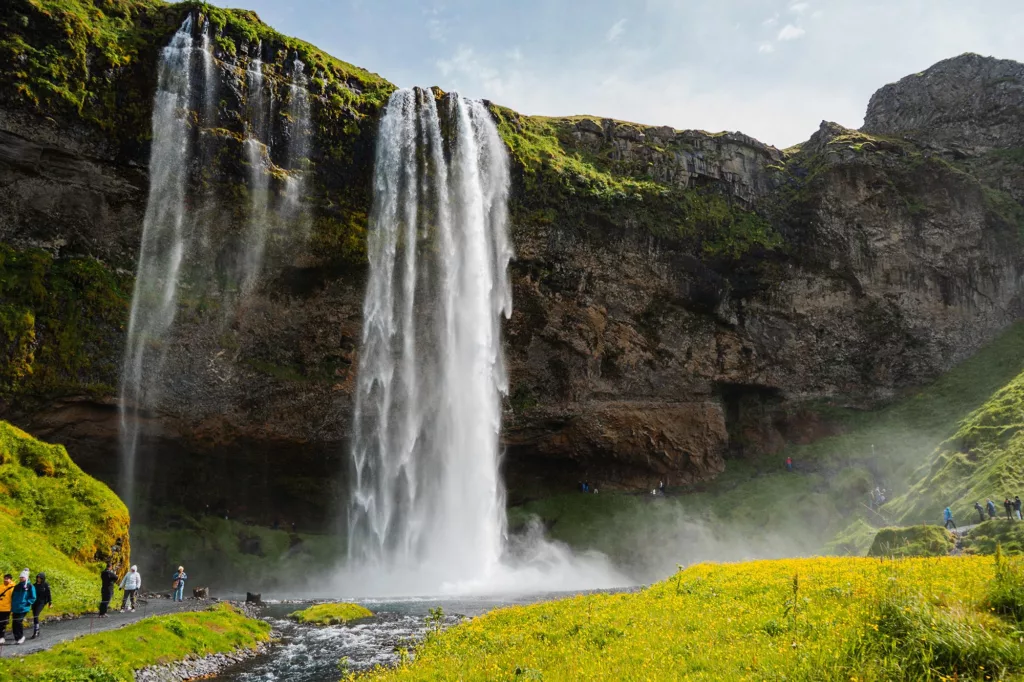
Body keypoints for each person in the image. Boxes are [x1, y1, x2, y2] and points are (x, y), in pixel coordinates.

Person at [10, 569, 36, 644]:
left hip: (23, 607)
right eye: (20, 577)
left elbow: (33, 597)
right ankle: (16, 638)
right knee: (14, 623)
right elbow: (13, 596)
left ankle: (21, 637)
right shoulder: (17, 586)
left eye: (22, 577)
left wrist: (27, 603)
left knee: (18, 622)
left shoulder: (30, 586)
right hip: (15, 607)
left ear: (26, 577)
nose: (21, 578)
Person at [30, 573, 51, 639]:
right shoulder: (34, 585)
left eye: (40, 578)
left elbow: (48, 594)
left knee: (36, 615)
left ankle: (35, 631)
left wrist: (50, 602)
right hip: (34, 602)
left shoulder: (45, 585)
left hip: (41, 602)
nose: (38, 579)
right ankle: (37, 629)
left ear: (42, 578)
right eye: (38, 578)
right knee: (35, 616)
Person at [0, 574, 13, 643]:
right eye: (4, 578)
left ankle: (2, 637)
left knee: (3, 623)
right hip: (0, 608)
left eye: (7, 578)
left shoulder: (13, 588)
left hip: (7, 609)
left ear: (10, 579)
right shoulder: (1, 586)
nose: (5, 580)